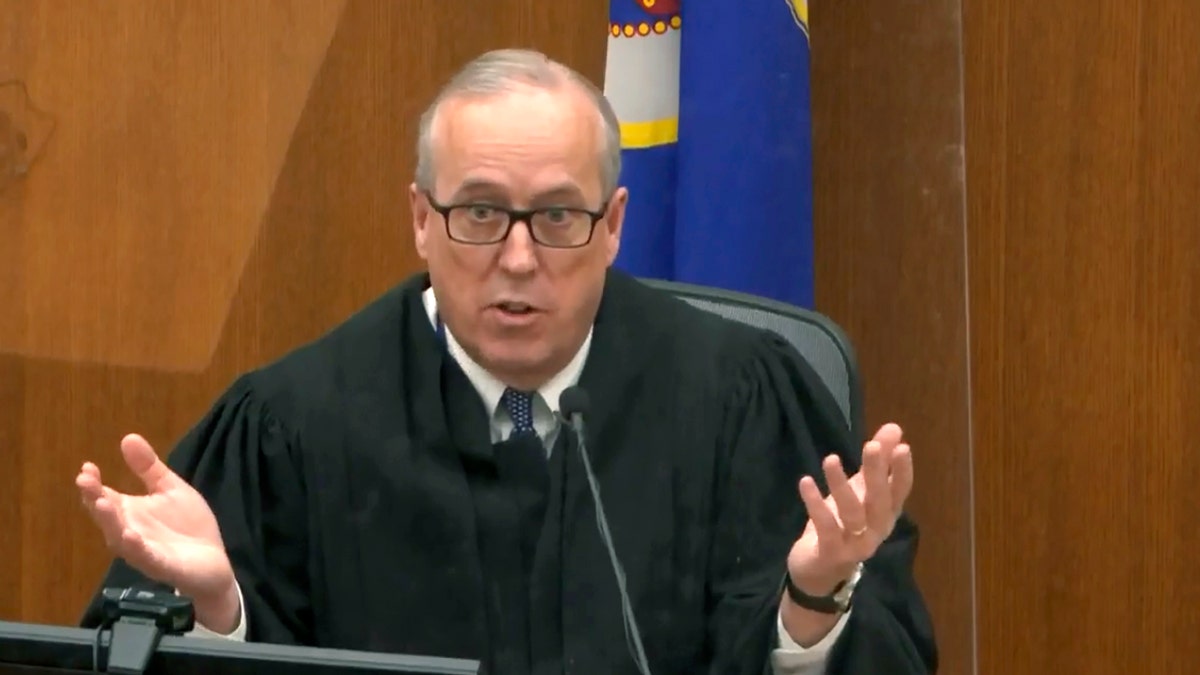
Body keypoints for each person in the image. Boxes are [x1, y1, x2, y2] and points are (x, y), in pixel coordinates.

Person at [74, 48, 937, 674]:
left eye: (559, 217)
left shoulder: (738, 400)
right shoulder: (294, 425)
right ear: (420, 217)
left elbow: (888, 649)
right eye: (480, 213)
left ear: (615, 224)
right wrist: (220, 619)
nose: (519, 259)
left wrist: (813, 607)